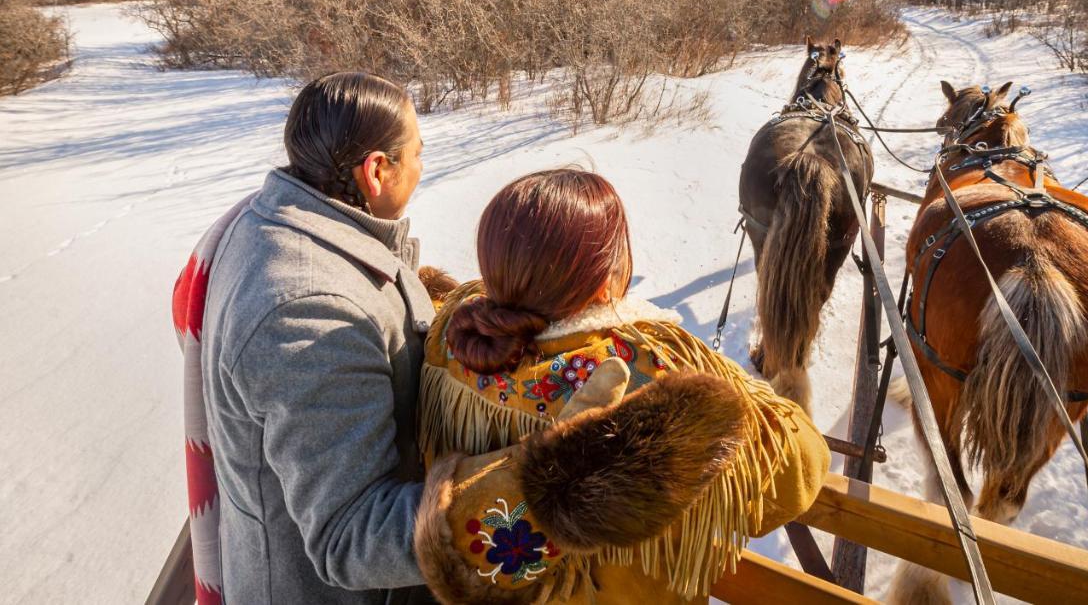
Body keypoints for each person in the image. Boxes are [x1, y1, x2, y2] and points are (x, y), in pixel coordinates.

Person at [191, 73, 737, 605]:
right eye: (418, 155)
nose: (423, 169)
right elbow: (350, 538)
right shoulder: (309, 313)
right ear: (376, 170)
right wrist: (553, 491)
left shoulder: (283, 225)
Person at [415, 168, 831, 604]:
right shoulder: (649, 366)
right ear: (604, 278)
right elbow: (799, 469)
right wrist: (750, 392)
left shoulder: (452, 339)